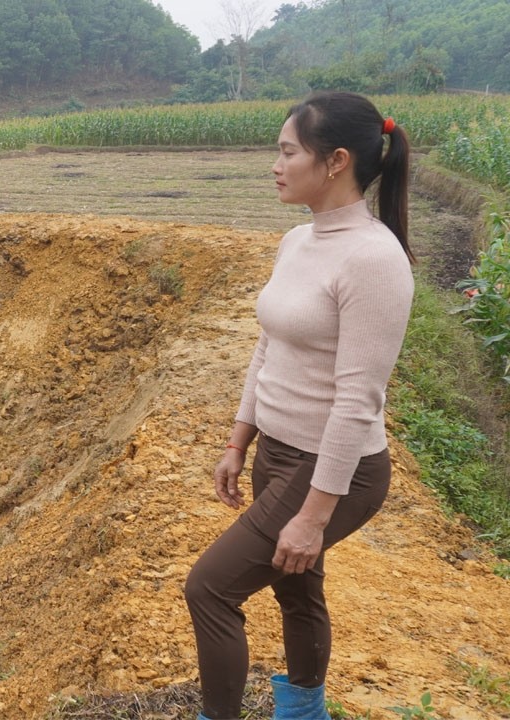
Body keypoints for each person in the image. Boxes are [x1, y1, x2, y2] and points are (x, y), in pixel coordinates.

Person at [183, 91, 415, 720]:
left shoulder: (374, 259)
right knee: (295, 587)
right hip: (278, 452)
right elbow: (269, 347)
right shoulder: (297, 240)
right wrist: (239, 441)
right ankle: (306, 710)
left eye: (288, 152)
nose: (276, 164)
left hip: (335, 468)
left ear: (336, 161)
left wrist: (313, 516)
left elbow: (358, 400)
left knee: (210, 589)